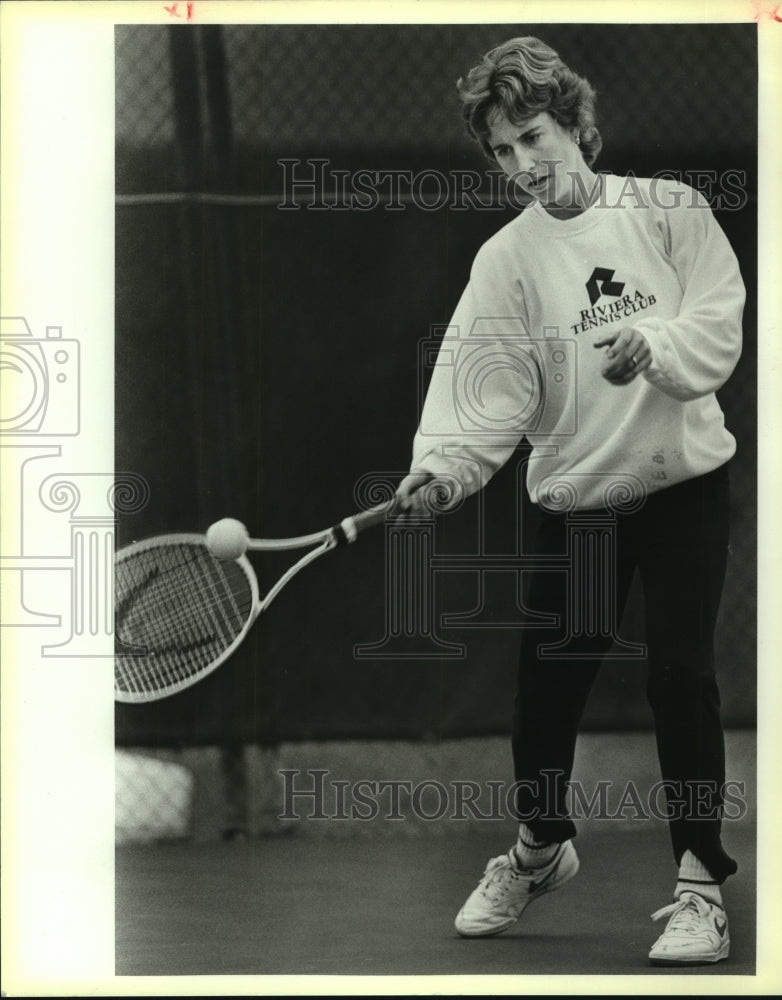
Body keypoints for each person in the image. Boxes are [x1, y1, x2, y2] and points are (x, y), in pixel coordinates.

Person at [396, 35, 745, 966]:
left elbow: (716, 324)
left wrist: (656, 351)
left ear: (576, 124)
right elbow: (487, 389)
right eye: (502, 151)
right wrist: (443, 469)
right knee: (546, 695)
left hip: (682, 489)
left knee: (681, 676)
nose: (520, 164)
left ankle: (701, 887)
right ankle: (541, 849)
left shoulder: (670, 212)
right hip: (579, 502)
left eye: (533, 136)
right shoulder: (507, 260)